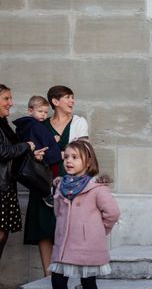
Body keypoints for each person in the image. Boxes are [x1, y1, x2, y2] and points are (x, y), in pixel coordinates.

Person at [23, 86, 89, 276]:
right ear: (55, 101)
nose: (72, 101)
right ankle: (47, 276)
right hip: (43, 181)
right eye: (68, 97)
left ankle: (68, 274)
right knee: (44, 228)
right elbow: (32, 150)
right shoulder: (41, 124)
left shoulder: (78, 122)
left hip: (71, 183)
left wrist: (54, 152)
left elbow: (82, 152)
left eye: (72, 98)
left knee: (69, 228)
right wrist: (36, 153)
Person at [49, 139, 120, 289]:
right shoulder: (61, 186)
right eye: (66, 157)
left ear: (88, 162)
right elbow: (58, 212)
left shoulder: (96, 188)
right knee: (58, 280)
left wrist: (99, 229)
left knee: (88, 282)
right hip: (64, 245)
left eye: (75, 157)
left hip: (87, 245)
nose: (69, 161)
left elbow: (112, 213)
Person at [0, 84, 46, 261]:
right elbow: (2, 151)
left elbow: (11, 152)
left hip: (5, 185)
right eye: (6, 98)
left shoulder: (3, 123)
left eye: (10, 98)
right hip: (1, 186)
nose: (11, 103)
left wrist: (31, 153)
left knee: (4, 234)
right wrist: (26, 145)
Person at [14, 96, 62, 208]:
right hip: (38, 160)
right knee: (45, 181)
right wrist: (53, 143)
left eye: (45, 112)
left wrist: (51, 139)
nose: (43, 115)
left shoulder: (25, 125)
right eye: (40, 111)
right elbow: (41, 144)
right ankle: (47, 194)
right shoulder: (35, 126)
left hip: (27, 161)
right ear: (30, 110)